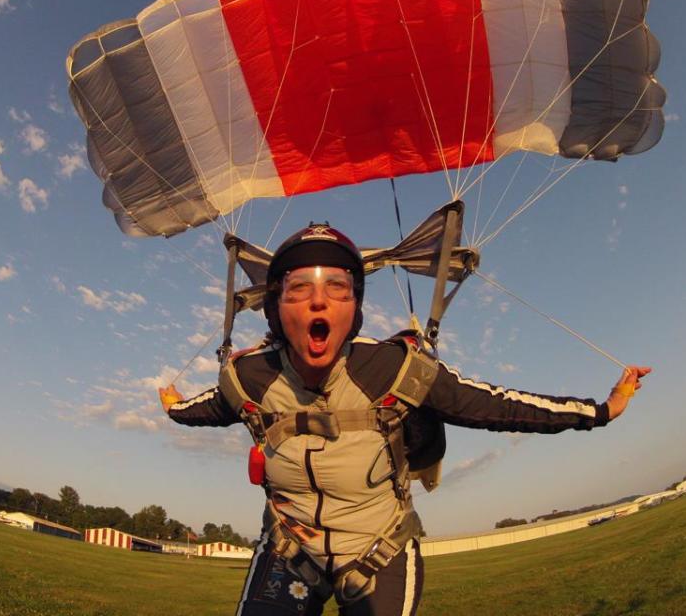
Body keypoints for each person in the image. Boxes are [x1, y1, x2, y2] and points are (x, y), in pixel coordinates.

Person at [159, 224, 649, 616]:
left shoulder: (394, 369)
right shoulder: (248, 377)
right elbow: (200, 410)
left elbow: (496, 405)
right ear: (275, 309)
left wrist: (600, 410)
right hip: (290, 550)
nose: (318, 300)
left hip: (379, 552)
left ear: (354, 310)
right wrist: (172, 405)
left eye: (338, 287)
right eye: (297, 289)